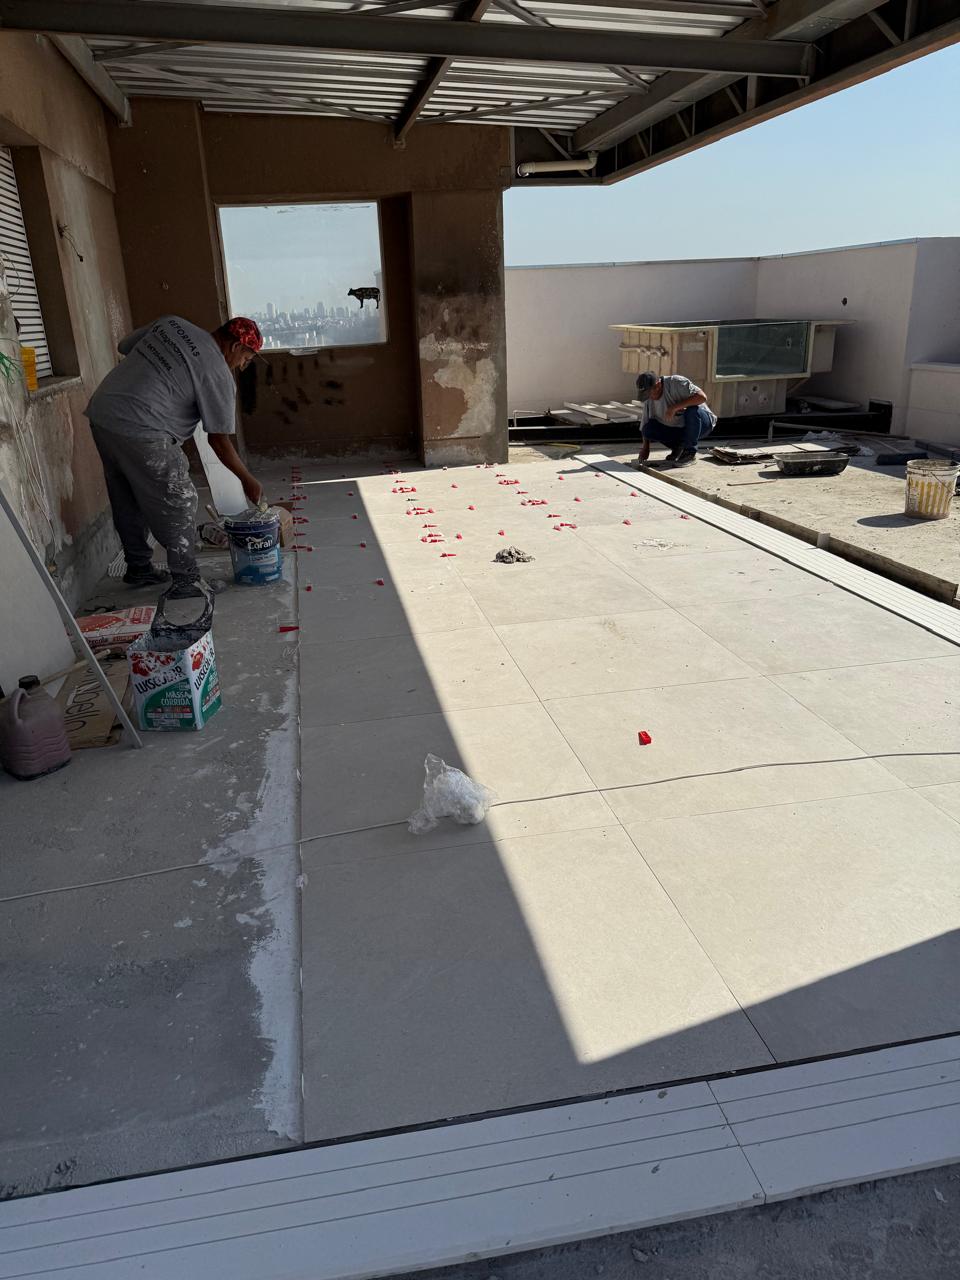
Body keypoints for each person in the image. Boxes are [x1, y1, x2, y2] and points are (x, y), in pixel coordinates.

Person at [85, 315, 265, 593]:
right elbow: (218, 440)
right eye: (246, 358)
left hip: (104, 412)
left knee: (127, 495)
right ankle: (186, 580)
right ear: (235, 346)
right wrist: (247, 479)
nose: (242, 365)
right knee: (180, 499)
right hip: (143, 428)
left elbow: (125, 346)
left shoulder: (173, 324)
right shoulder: (218, 374)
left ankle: (139, 568)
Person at [634, 370, 717, 468]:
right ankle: (678, 448)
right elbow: (645, 424)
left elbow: (702, 397)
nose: (649, 397)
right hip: (679, 428)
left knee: (692, 411)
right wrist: (645, 448)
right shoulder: (649, 400)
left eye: (649, 393)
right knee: (648, 430)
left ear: (658, 385)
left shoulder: (676, 382)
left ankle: (689, 453)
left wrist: (674, 407)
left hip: (702, 423)